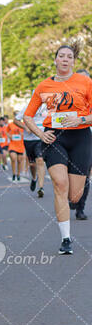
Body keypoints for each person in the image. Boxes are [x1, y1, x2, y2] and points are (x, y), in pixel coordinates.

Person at [24, 45, 92, 255]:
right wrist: (40, 133)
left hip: (80, 136)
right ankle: (66, 239)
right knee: (60, 185)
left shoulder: (85, 82)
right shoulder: (43, 86)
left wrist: (80, 118)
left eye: (69, 57)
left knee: (74, 195)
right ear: (55, 60)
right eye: (61, 56)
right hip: (54, 137)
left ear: (73, 62)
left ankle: (73, 204)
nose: (65, 59)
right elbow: (27, 116)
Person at [68, 69, 92, 220]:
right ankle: (73, 196)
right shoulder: (70, 99)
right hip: (73, 139)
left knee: (85, 175)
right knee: (70, 173)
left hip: (89, 141)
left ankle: (80, 208)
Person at [15, 102, 46, 197]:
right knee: (32, 164)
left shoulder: (47, 107)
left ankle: (41, 188)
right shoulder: (28, 107)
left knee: (40, 160)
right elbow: (15, 120)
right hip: (29, 140)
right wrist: (25, 127)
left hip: (40, 139)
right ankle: (34, 178)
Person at [6, 117, 25, 181]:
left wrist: (21, 134)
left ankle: (18, 174)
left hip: (20, 145)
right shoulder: (10, 124)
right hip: (13, 145)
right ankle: (14, 173)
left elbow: (27, 133)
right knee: (13, 158)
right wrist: (9, 136)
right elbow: (6, 131)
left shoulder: (23, 124)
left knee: (19, 160)